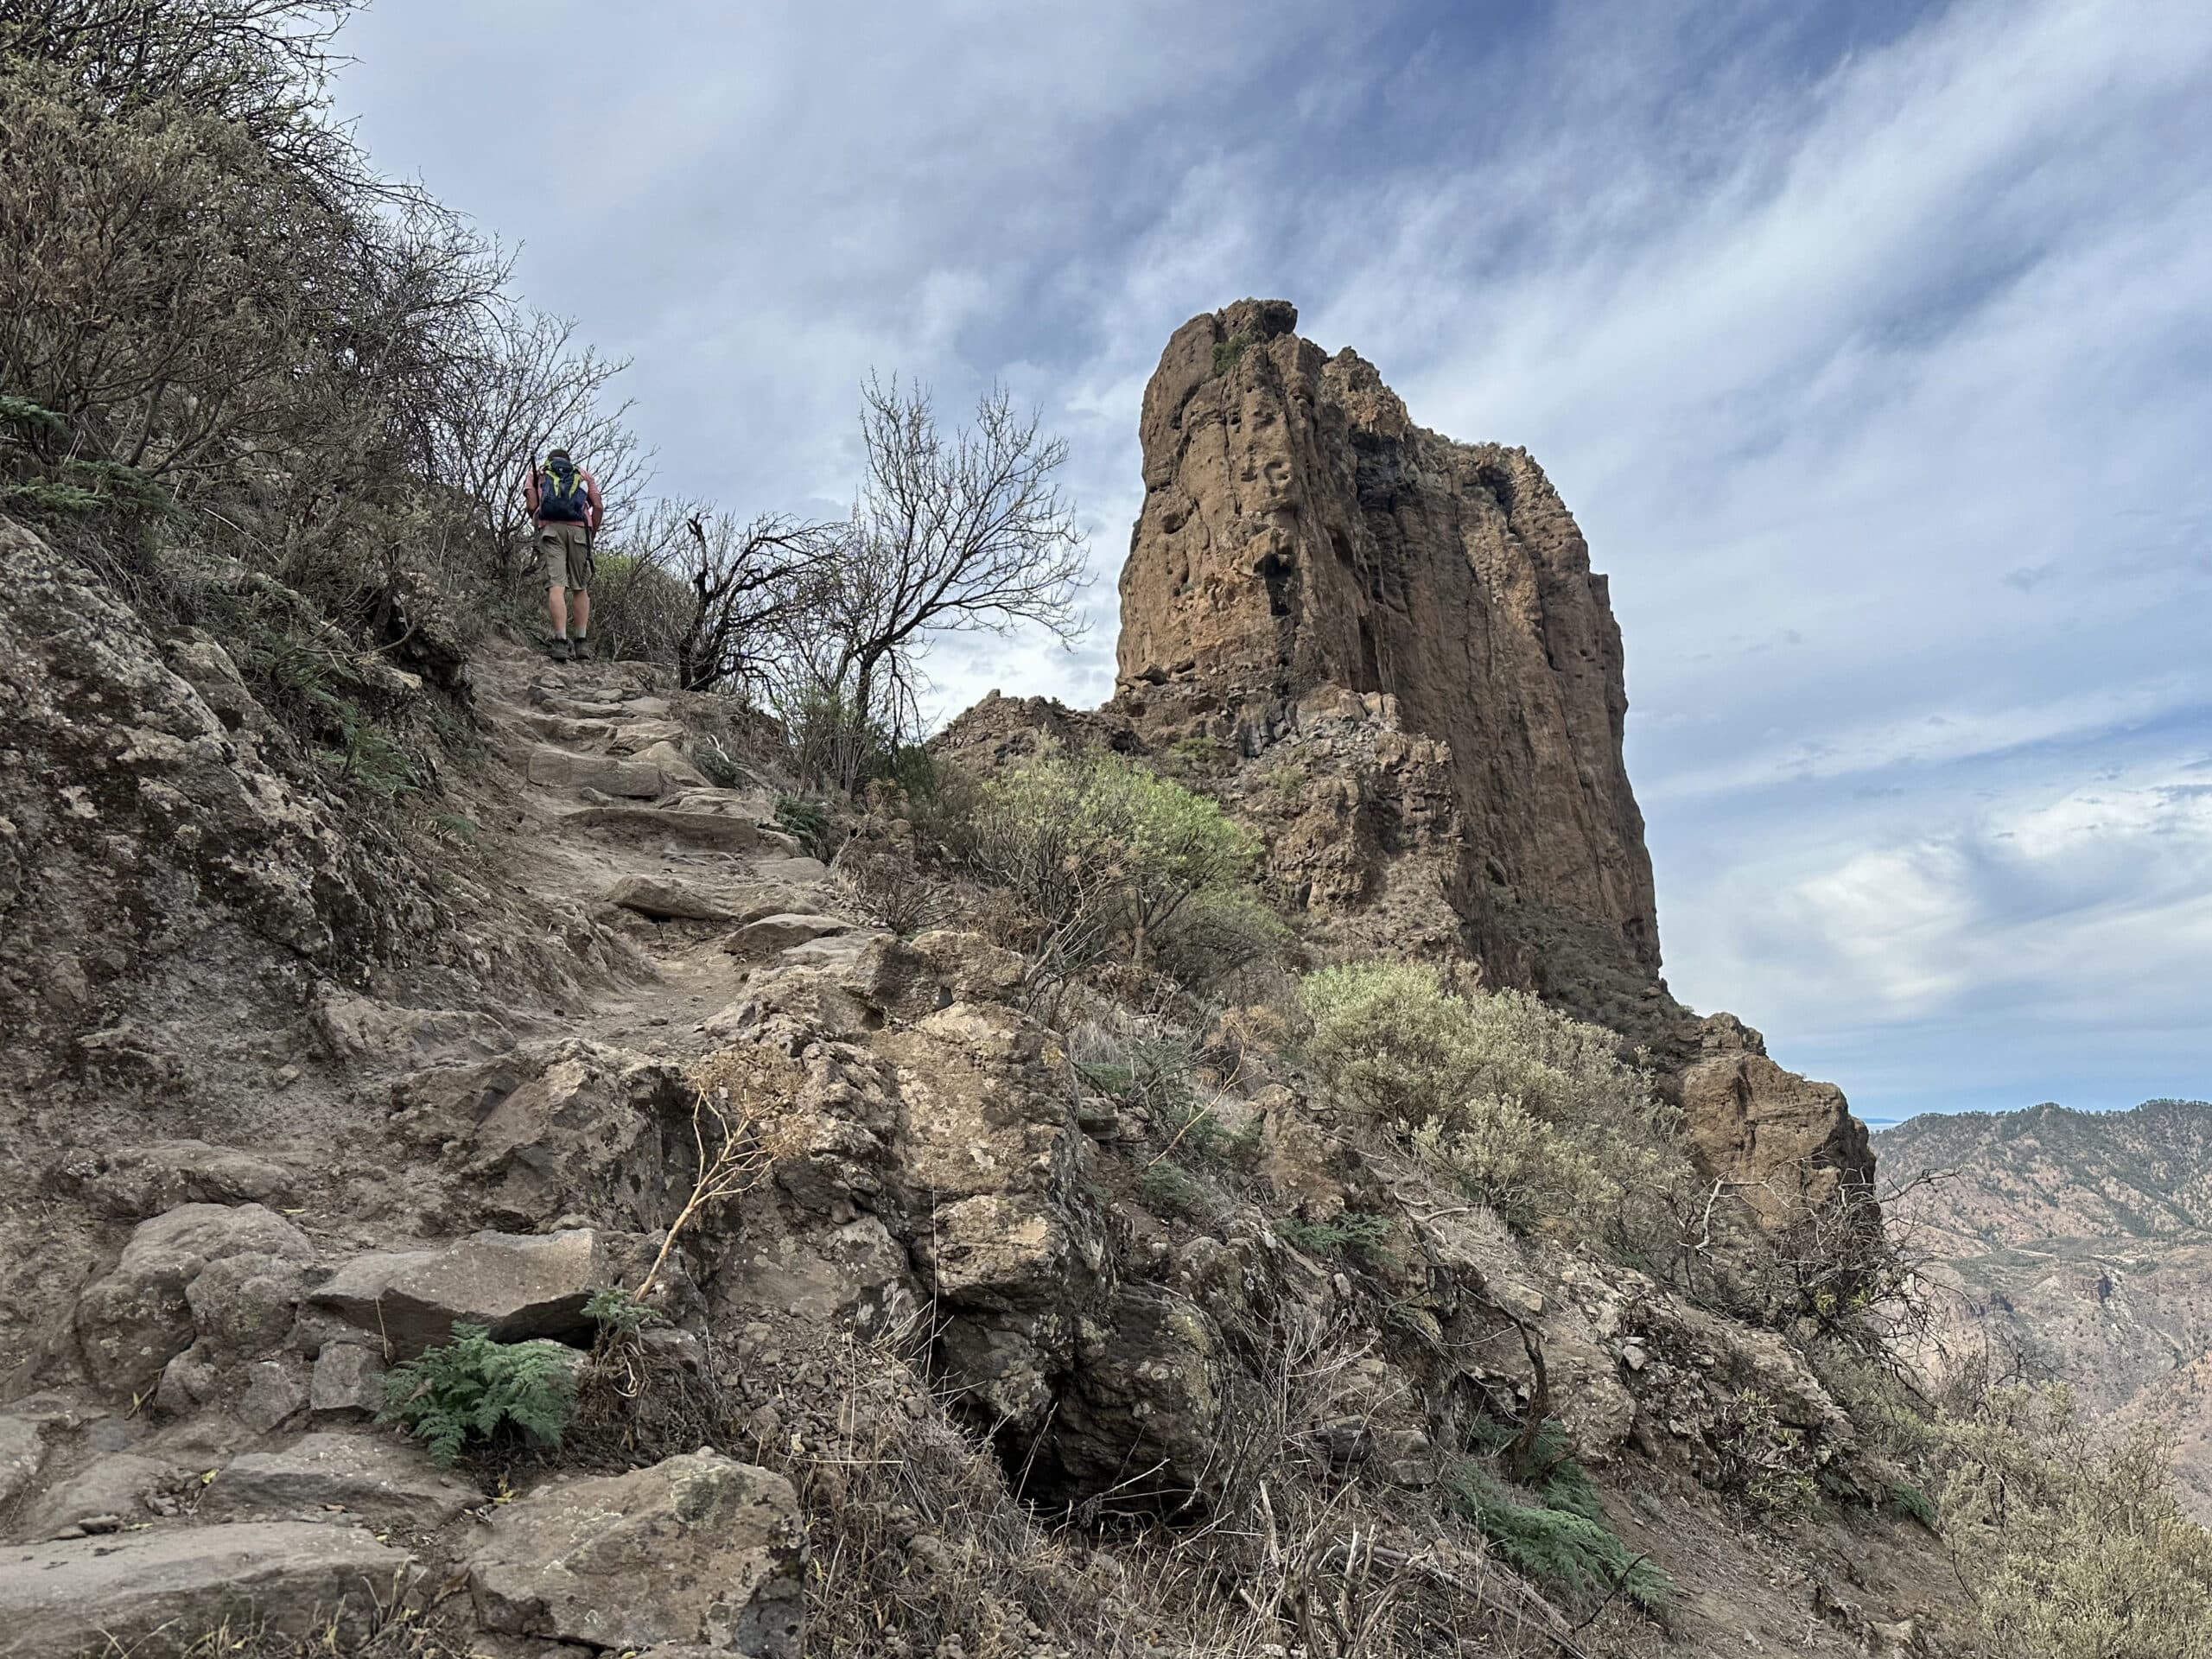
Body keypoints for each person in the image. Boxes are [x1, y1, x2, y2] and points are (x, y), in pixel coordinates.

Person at [523, 447, 603, 661]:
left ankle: (560, 642)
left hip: (551, 530)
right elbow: (598, 506)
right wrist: (591, 533)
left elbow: (532, 506)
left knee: (556, 585)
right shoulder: (583, 475)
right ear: (568, 461)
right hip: (580, 530)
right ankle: (582, 643)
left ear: (551, 460)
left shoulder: (537, 473)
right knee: (580, 586)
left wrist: (539, 514)